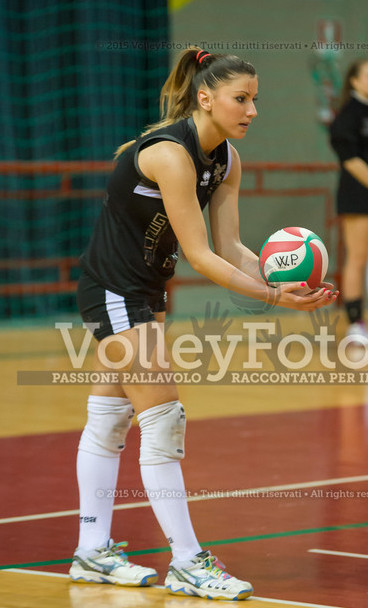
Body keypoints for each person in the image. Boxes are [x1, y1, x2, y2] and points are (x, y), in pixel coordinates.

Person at [69, 47, 338, 601]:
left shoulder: (226, 159)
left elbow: (231, 247)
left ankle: (91, 552)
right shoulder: (171, 154)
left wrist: (279, 283)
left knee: (110, 417)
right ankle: (188, 561)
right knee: (163, 421)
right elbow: (198, 255)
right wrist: (270, 298)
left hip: (143, 290)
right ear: (206, 97)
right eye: (242, 99)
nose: (252, 110)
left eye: (255, 100)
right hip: (115, 289)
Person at [330, 58, 368, 341]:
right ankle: (356, 325)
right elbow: (351, 160)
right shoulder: (349, 115)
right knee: (357, 257)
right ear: (354, 81)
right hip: (358, 197)